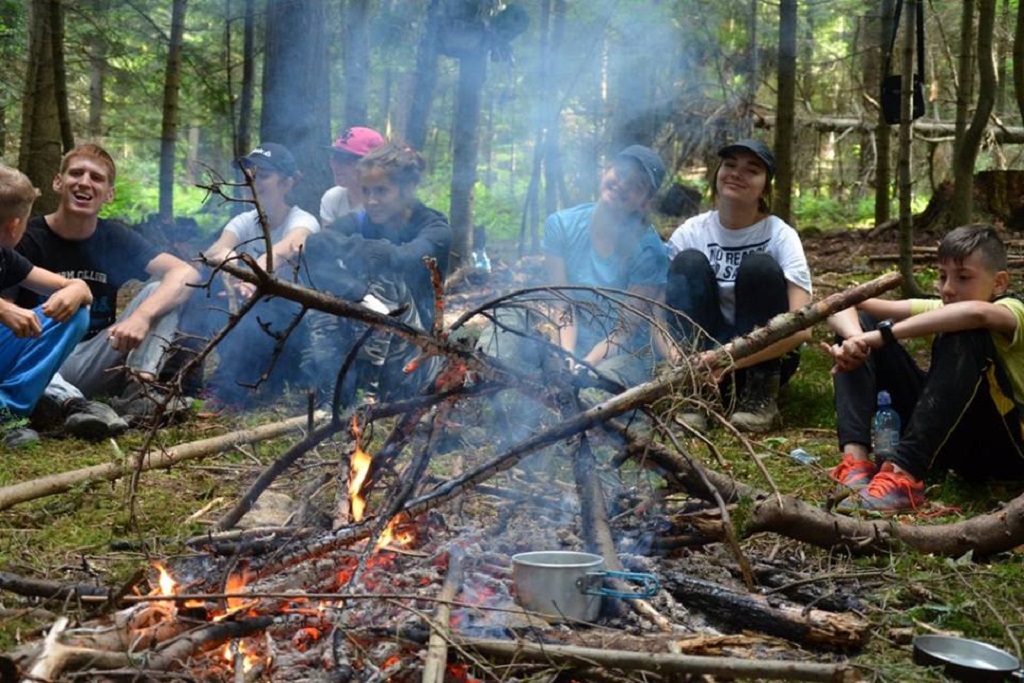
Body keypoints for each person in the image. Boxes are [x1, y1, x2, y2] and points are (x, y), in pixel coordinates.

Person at [825, 225, 1024, 513]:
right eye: (943, 277)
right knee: (862, 323)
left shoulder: (1014, 309)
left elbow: (976, 314)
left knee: (965, 330)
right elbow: (844, 303)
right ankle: (856, 464)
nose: (948, 289)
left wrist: (885, 336)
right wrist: (856, 340)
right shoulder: (946, 305)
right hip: (951, 441)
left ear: (999, 283)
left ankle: (903, 474)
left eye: (963, 277)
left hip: (1006, 450)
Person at [14, 143, 200, 438]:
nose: (85, 182)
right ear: (58, 183)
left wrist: (141, 317)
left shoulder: (114, 236)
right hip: (38, 361)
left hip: (93, 357)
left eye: (96, 178)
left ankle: (139, 393)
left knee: (160, 293)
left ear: (109, 194)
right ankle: (71, 407)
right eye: (76, 173)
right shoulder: (27, 238)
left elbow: (186, 272)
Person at [664, 139, 812, 433]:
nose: (736, 174)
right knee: (688, 262)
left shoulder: (780, 235)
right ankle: (694, 395)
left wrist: (729, 359)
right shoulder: (691, 232)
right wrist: (682, 363)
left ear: (765, 187)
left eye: (751, 170)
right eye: (729, 165)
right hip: (701, 360)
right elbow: (656, 309)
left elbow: (803, 325)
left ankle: (759, 395)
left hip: (762, 357)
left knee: (759, 266)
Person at [301, 141, 453, 407]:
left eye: (381, 191)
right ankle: (334, 388)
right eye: (366, 191)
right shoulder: (362, 221)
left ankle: (365, 394)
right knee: (322, 285)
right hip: (366, 329)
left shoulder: (435, 228)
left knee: (386, 278)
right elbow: (315, 246)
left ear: (406, 189)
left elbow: (399, 258)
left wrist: (358, 257)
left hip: (417, 353)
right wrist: (357, 292)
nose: (372, 200)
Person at [534, 144, 669, 390]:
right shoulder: (561, 225)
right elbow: (563, 304)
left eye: (637, 185)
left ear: (646, 202)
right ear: (605, 171)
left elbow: (625, 330)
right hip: (573, 339)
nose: (624, 184)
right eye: (621, 172)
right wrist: (567, 358)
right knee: (509, 334)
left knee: (595, 388)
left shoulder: (649, 251)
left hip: (624, 354)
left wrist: (587, 363)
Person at [200, 143, 320, 408]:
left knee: (268, 304)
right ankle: (186, 379)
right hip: (250, 321)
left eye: (263, 175)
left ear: (287, 183)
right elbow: (216, 250)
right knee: (202, 291)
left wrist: (253, 277)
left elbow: (288, 247)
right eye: (250, 174)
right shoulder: (245, 220)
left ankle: (231, 391)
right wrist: (231, 267)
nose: (252, 181)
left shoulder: (304, 220)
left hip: (292, 334)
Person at [0, 166, 91, 448]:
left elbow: (71, 287)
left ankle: (6, 412)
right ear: (16, 225)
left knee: (75, 312)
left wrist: (76, 289)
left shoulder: (5, 258)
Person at [320, 126, 385, 227]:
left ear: (372, 164)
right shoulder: (333, 198)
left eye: (345, 160)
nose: (335, 165)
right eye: (333, 157)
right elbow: (326, 241)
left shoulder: (384, 205)